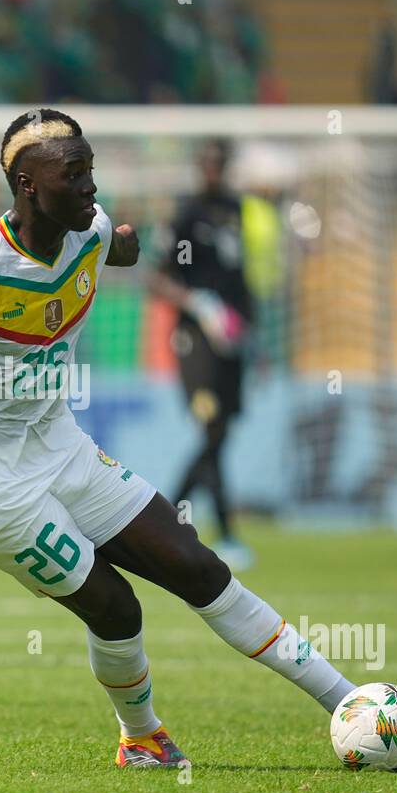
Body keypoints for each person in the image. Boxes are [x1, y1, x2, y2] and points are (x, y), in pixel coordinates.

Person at [0, 109, 397, 767]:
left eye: (92, 170)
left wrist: (123, 241)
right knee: (118, 608)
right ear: (28, 186)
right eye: (76, 174)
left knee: (197, 565)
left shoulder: (87, 229)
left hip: (57, 445)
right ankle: (142, 737)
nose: (92, 187)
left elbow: (116, 244)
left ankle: (353, 704)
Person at [150, 140, 255, 570]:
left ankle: (165, 523)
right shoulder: (185, 215)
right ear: (199, 167)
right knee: (211, 431)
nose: (213, 169)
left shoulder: (237, 211)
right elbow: (157, 279)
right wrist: (199, 304)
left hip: (232, 340)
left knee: (220, 434)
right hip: (195, 341)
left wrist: (253, 331)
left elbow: (241, 275)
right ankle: (225, 532)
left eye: (219, 162)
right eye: (207, 162)